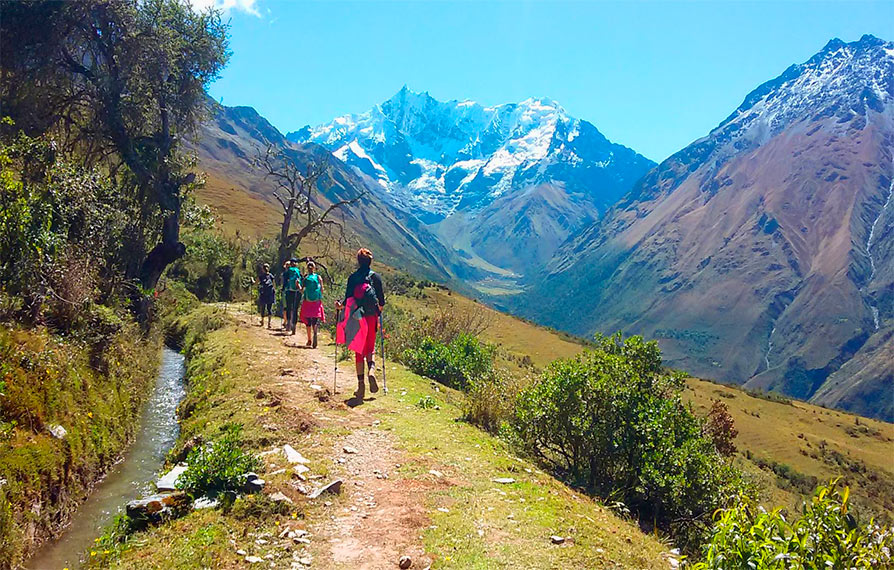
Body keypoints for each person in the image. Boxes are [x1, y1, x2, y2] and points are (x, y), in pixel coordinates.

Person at [336, 248, 385, 400]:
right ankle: (371, 370)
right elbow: (381, 303)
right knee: (370, 348)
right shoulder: (375, 278)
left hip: (357, 318)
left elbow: (347, 301)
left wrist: (339, 307)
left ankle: (361, 387)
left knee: (359, 350)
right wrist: (376, 311)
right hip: (371, 317)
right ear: (370, 262)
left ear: (358, 261)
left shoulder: (353, 278)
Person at [299, 260, 325, 348]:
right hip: (316, 302)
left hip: (307, 301)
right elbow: (322, 289)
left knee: (308, 321)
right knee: (315, 320)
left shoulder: (306, 278)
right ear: (314, 268)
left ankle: (309, 339)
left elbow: (302, 290)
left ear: (307, 268)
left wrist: (298, 285)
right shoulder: (318, 277)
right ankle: (315, 333)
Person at [283, 258, 302, 334]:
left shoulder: (288, 271)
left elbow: (284, 280)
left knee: (288, 307)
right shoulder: (298, 271)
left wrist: (283, 288)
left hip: (289, 291)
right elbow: (301, 280)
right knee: (295, 309)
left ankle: (288, 323)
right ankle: (294, 325)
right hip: (297, 292)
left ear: (290, 263)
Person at [258, 263, 276, 328]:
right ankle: (269, 323)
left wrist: (252, 281)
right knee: (269, 308)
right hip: (270, 293)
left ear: (263, 269)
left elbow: (256, 283)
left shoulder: (261, 276)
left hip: (263, 293)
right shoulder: (271, 276)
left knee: (263, 307)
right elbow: (274, 285)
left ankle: (262, 321)